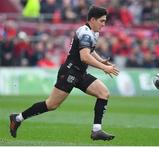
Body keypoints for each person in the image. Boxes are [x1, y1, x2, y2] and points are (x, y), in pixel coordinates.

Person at [9, 6, 119, 141]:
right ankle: (17, 118)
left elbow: (90, 50)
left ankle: (96, 130)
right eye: (102, 21)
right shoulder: (85, 33)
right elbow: (84, 56)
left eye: (105, 21)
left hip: (80, 72)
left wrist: (101, 60)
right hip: (70, 71)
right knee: (51, 105)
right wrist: (103, 67)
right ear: (92, 20)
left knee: (103, 93)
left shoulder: (93, 32)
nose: (104, 24)